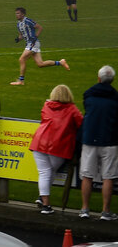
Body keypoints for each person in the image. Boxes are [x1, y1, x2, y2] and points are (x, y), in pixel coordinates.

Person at [30, 84, 83, 214]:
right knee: (48, 172)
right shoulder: (72, 109)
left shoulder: (46, 105)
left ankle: (43, 198)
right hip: (58, 146)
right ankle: (45, 204)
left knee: (45, 173)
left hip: (40, 142)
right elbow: (81, 124)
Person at [79, 65, 118, 220]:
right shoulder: (115, 98)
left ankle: (84, 209)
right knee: (108, 176)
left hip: (90, 138)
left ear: (99, 78)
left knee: (87, 175)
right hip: (109, 140)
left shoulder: (89, 95)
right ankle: (105, 211)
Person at [11, 7, 69, 85]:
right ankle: (60, 62)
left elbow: (40, 28)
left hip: (33, 43)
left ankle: (21, 81)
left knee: (22, 59)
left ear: (23, 14)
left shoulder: (28, 21)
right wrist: (18, 39)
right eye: (16, 13)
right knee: (40, 64)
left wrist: (35, 37)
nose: (16, 15)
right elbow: (21, 35)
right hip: (30, 44)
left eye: (18, 13)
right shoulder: (18, 24)